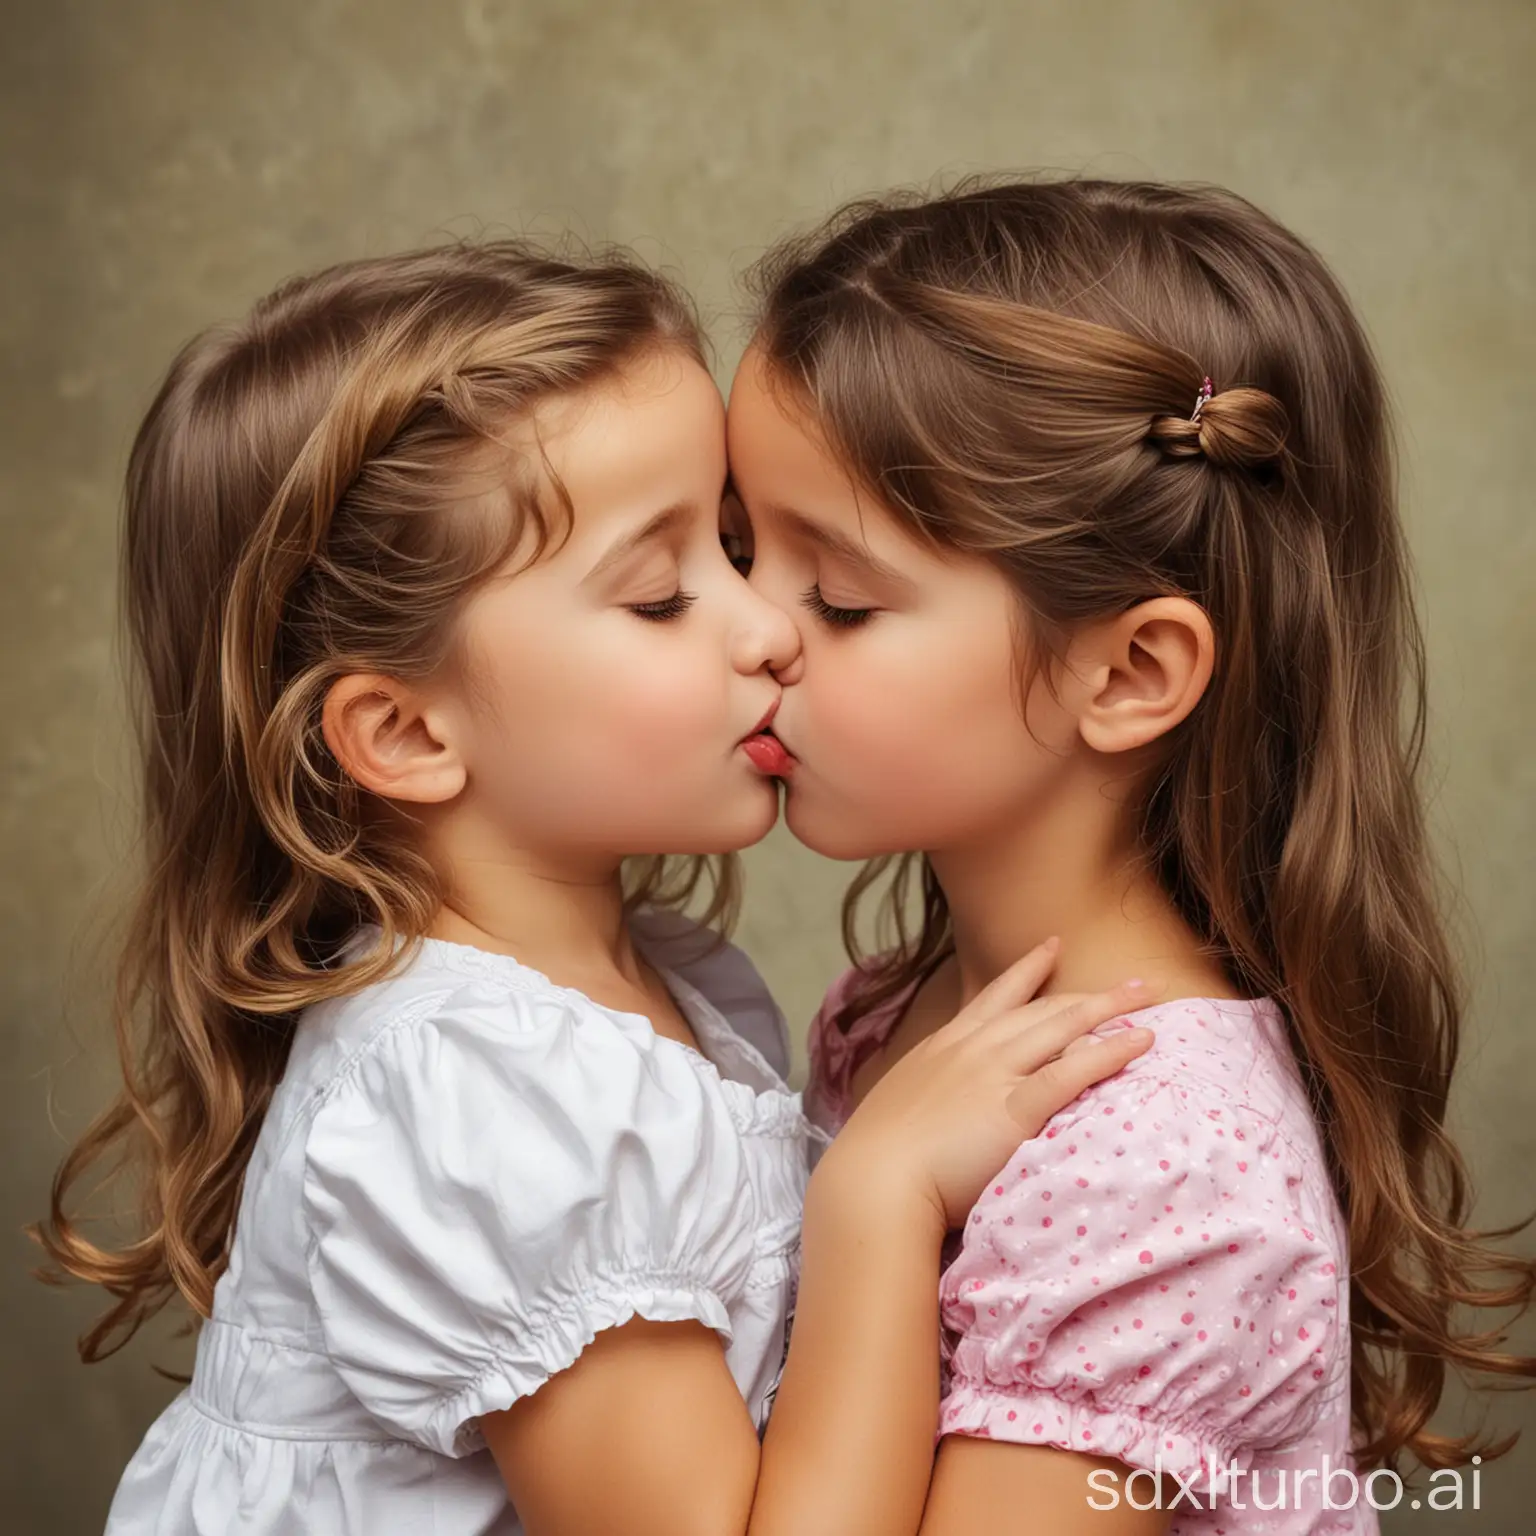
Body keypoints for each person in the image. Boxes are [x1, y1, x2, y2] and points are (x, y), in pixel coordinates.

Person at [34, 237, 1153, 1535]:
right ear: (403, 733)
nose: (768, 624)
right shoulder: (489, 1103)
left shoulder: (638, 987)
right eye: (662, 594)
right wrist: (879, 1191)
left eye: (734, 548)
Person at [727, 176, 1536, 1534]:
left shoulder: (1164, 1171)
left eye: (843, 597)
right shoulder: (897, 1016)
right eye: (737, 548)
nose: (746, 631)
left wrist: (872, 1206)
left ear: (1131, 671)